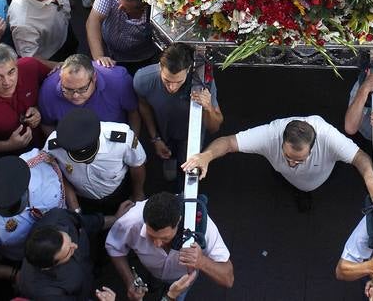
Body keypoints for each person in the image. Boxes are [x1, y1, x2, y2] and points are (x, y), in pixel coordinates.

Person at [183, 115, 373, 211]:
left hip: (324, 176)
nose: (292, 163)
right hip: (281, 176)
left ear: (314, 146)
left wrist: (370, 178)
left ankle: (306, 193)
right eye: (287, 156)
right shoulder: (270, 135)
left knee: (313, 189)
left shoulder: (329, 137)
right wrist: (206, 156)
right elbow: (228, 142)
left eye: (299, 159)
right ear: (281, 141)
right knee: (286, 181)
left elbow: (360, 157)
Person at [105, 191, 234, 296]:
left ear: (178, 222)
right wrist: (130, 281)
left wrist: (201, 261)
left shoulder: (205, 230)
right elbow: (114, 246)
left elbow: (228, 278)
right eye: (151, 236)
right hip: (150, 272)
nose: (156, 244)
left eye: (164, 238)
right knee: (153, 285)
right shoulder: (130, 221)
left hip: (183, 280)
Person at [134, 42, 222, 180]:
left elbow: (215, 127)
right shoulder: (142, 80)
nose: (172, 87)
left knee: (186, 163)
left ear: (188, 70)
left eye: (178, 82)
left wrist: (208, 107)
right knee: (167, 154)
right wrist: (155, 138)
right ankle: (169, 160)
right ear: (160, 67)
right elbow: (144, 107)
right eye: (167, 81)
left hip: (190, 136)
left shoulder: (204, 82)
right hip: (164, 131)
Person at [45, 107, 146, 207]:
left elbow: (137, 165)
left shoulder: (122, 139)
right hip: (82, 199)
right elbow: (57, 174)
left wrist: (138, 194)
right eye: (80, 157)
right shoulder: (53, 147)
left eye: (90, 155)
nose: (87, 161)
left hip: (119, 192)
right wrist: (75, 207)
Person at [0, 151, 66, 266]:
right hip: (21, 257)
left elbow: (64, 175)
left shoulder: (37, 165)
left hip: (61, 232)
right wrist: (13, 274)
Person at [86, 0, 157, 72]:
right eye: (119, 0)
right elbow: (93, 21)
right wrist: (99, 58)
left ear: (143, 8)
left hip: (141, 57)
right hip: (109, 50)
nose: (119, 7)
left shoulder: (158, 8)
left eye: (125, 8)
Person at [0, 44, 52, 154]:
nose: (7, 82)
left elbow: (58, 86)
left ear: (17, 65)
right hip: (13, 159)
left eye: (11, 72)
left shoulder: (29, 67)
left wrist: (39, 108)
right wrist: (7, 145)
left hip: (50, 141)